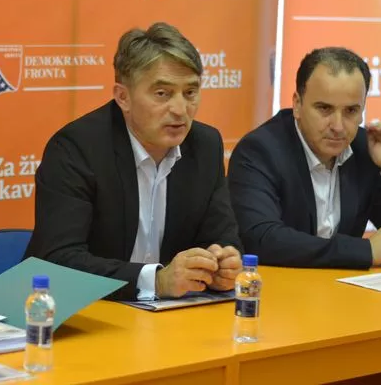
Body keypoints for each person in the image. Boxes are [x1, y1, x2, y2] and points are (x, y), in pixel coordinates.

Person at [24, 22, 243, 300]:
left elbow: (221, 237)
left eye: (190, 93)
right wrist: (155, 281)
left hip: (170, 316)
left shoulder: (205, 145)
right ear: (123, 97)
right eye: (162, 94)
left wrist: (222, 264)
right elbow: (58, 261)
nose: (180, 110)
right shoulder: (77, 148)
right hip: (82, 310)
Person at [227, 47, 381, 268]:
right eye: (324, 108)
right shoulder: (260, 151)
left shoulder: (365, 148)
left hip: (339, 286)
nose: (338, 126)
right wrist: (363, 251)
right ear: (297, 104)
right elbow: (261, 239)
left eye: (351, 111)